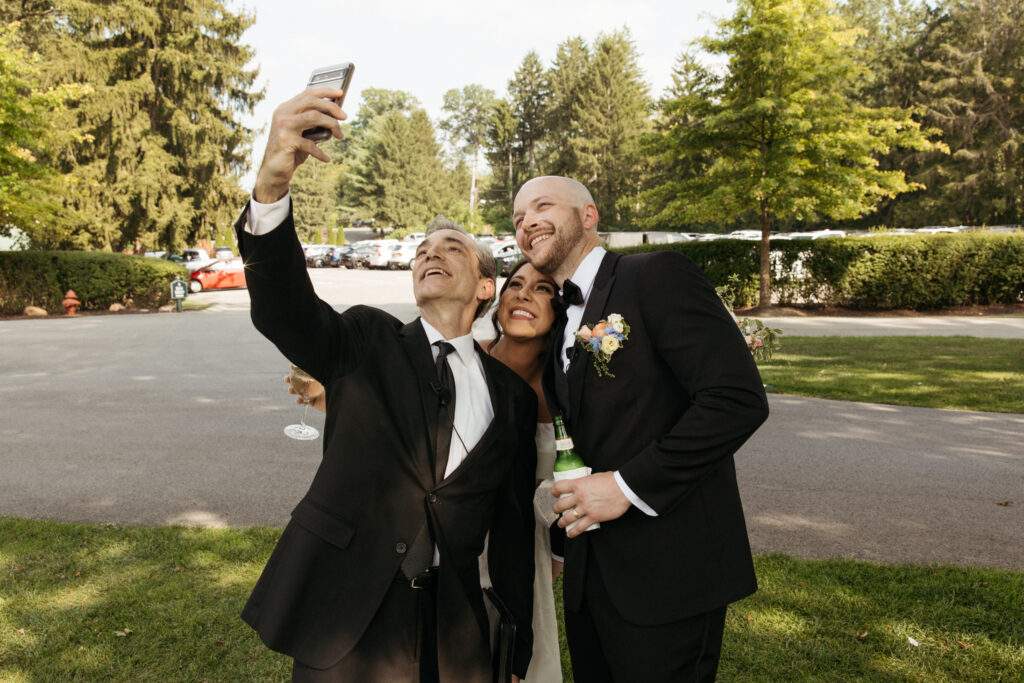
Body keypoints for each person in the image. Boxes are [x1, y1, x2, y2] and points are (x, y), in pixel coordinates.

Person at [237, 87, 536, 683]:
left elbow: (509, 528)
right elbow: (285, 310)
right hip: (347, 617)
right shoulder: (366, 340)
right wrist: (271, 192)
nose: (431, 253)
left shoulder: (514, 397)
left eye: (453, 249)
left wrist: (514, 637)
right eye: (423, 250)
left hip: (454, 633)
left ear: (484, 287)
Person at [513, 176, 770, 682]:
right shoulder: (562, 317)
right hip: (592, 582)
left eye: (542, 206)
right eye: (518, 219)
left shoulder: (654, 275)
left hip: (669, 575)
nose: (527, 223)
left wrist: (627, 486)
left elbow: (736, 398)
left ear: (589, 216)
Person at [287, 258, 567, 682]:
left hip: (509, 546)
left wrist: (557, 552)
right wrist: (333, 393)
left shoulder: (560, 389)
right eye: (517, 283)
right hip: (414, 549)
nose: (524, 294)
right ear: (494, 292)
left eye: (543, 288)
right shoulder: (457, 357)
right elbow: (400, 418)